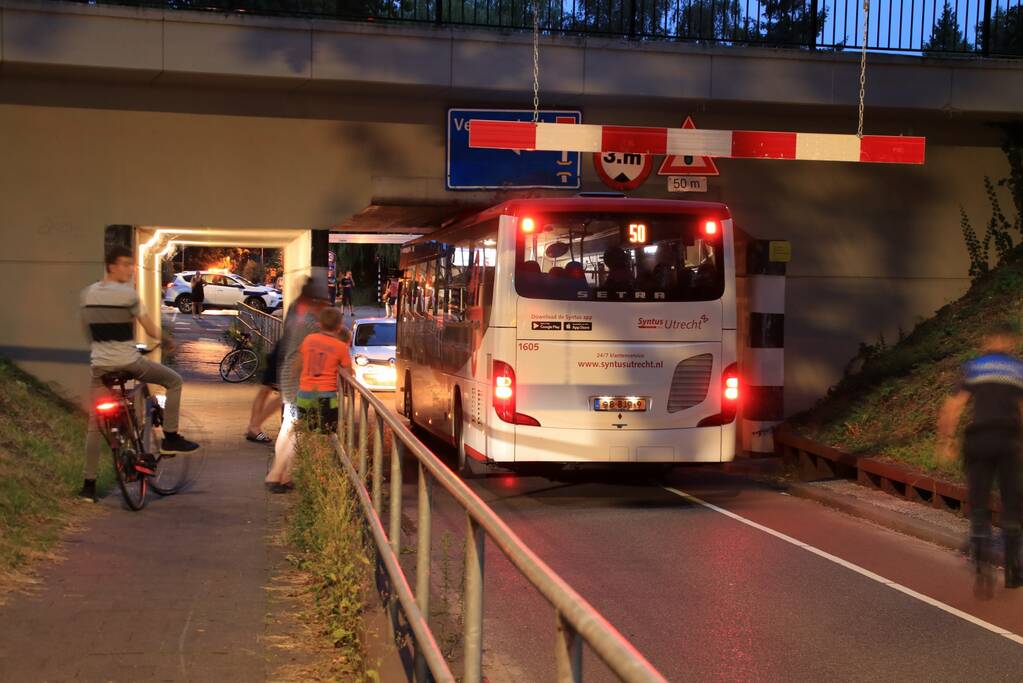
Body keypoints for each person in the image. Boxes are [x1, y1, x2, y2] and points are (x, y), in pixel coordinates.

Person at [80, 246, 200, 502]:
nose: (129, 269)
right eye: (124, 264)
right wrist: (167, 340)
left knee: (94, 426)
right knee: (174, 381)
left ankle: (88, 486)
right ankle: (170, 437)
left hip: (100, 367)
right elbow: (150, 329)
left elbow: (88, 333)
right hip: (129, 362)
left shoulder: (87, 294)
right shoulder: (128, 295)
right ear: (111, 266)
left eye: (130, 264)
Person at [938, 321, 1023, 597]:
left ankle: (980, 563)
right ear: (1010, 342)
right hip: (1008, 441)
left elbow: (953, 406)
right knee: (1011, 504)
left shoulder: (973, 367)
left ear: (987, 340)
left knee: (978, 500)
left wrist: (946, 440)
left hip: (978, 440)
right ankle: (1012, 572)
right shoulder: (1018, 370)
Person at [265, 278, 329, 493]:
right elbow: (308, 353)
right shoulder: (310, 323)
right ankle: (276, 475)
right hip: (297, 380)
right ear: (316, 301)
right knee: (294, 428)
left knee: (289, 426)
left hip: (288, 376)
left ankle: (284, 475)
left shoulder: (294, 310)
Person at [294, 307, 352, 436]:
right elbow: (348, 373)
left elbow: (297, 364)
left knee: (306, 433)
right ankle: (324, 454)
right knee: (327, 434)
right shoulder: (340, 347)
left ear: (319, 324)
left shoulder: (309, 339)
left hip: (304, 394)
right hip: (326, 396)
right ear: (339, 326)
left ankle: (308, 454)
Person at [244, 341, 281, 444]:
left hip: (279, 352)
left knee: (265, 390)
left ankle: (253, 429)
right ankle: (254, 427)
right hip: (285, 357)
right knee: (284, 396)